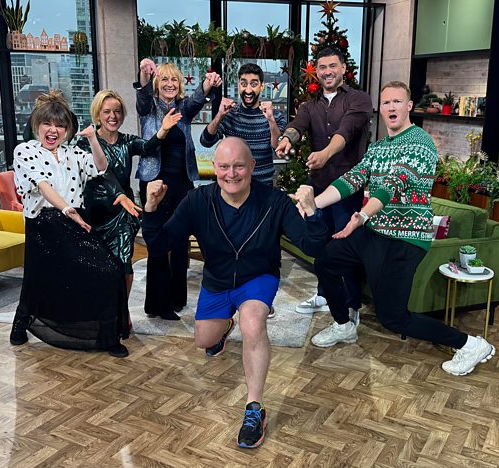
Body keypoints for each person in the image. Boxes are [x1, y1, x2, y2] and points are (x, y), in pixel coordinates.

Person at [141, 137, 329, 448]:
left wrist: (313, 213)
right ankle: (225, 326)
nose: (231, 174)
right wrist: (150, 209)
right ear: (214, 167)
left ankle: (254, 408)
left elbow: (313, 248)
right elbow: (160, 246)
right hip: (217, 280)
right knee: (204, 340)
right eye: (224, 167)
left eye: (239, 166)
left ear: (252, 167)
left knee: (252, 322)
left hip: (258, 276)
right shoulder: (197, 201)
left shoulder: (275, 202)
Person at [308, 81, 496, 376]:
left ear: (408, 106)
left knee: (393, 318)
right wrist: (313, 203)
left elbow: (394, 184)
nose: (391, 107)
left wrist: (362, 216)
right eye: (386, 102)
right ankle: (343, 325)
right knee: (326, 260)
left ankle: (470, 344)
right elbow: (353, 179)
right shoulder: (378, 147)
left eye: (397, 101)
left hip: (405, 239)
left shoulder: (420, 143)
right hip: (375, 232)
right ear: (380, 109)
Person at [10, 90, 130, 358]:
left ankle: (107, 335)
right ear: (37, 125)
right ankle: (21, 324)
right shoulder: (25, 150)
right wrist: (65, 209)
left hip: (77, 221)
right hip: (44, 224)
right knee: (39, 279)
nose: (53, 130)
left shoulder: (73, 152)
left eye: (60, 125)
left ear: (67, 130)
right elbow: (42, 185)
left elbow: (100, 167)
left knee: (110, 271)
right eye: (47, 124)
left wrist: (93, 139)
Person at [275, 47, 372, 322]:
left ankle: (351, 306)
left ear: (343, 68)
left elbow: (346, 131)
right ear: (316, 71)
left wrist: (326, 154)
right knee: (319, 243)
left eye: (332, 66)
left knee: (344, 245)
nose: (327, 72)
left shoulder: (359, 99)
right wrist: (287, 139)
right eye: (322, 67)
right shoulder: (309, 106)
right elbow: (297, 125)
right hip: (317, 187)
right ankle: (323, 294)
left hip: (346, 190)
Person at [135, 58, 222, 320]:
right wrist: (144, 73)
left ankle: (177, 298)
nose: (170, 84)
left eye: (174, 79)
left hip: (182, 183)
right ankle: (158, 304)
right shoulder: (149, 107)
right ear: (156, 83)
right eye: (164, 79)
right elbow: (142, 97)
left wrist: (207, 84)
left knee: (180, 239)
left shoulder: (183, 108)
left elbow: (196, 100)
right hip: (154, 182)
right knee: (157, 241)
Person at [81, 90, 181, 296]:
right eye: (107, 111)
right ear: (97, 114)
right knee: (98, 265)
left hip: (123, 214)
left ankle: (122, 309)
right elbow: (102, 172)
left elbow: (147, 147)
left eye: (117, 111)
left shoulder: (127, 141)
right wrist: (120, 195)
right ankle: (103, 307)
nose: (113, 116)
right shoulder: (86, 142)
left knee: (124, 261)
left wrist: (163, 129)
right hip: (95, 213)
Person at [200, 63, 287, 187]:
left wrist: (271, 120)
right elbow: (205, 141)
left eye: (254, 84)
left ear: (262, 86)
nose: (248, 90)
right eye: (244, 84)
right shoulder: (230, 114)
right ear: (239, 86)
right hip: (235, 185)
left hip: (263, 187)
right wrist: (219, 115)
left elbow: (278, 147)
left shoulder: (275, 116)